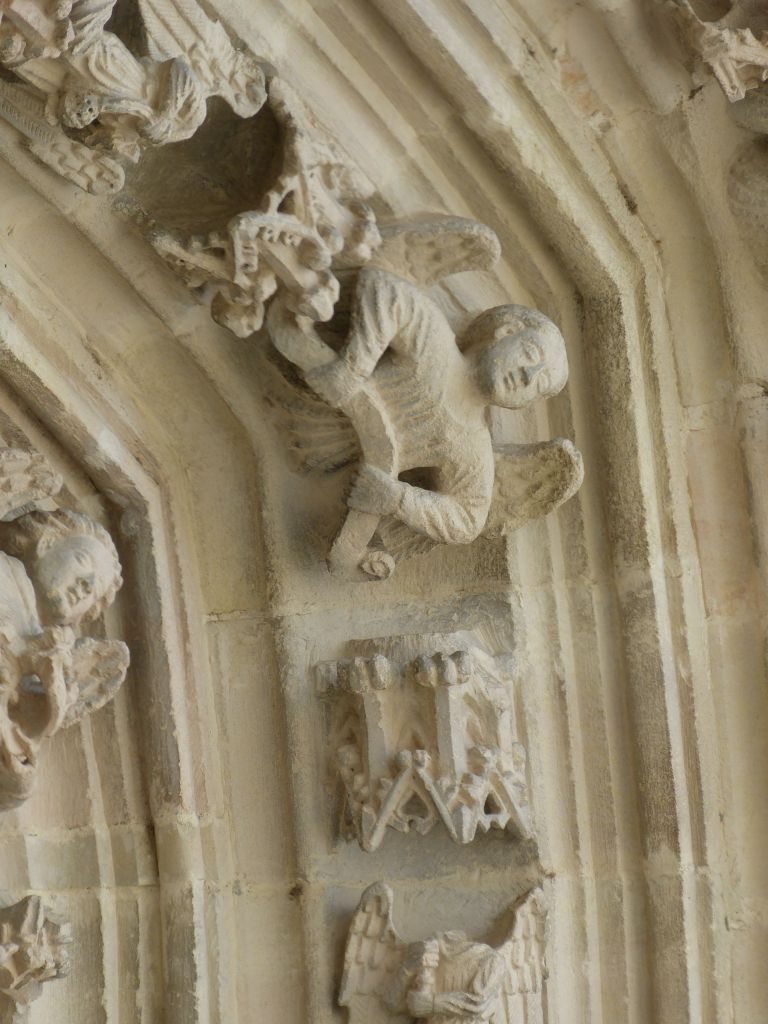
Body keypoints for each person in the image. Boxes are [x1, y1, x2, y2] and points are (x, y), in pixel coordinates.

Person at [302, 268, 568, 546]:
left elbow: (467, 520)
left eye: (539, 384)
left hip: (335, 480)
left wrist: (397, 498)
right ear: (507, 331)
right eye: (530, 354)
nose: (528, 376)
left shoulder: (472, 446)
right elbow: (383, 286)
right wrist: (354, 366)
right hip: (309, 405)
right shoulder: (436, 345)